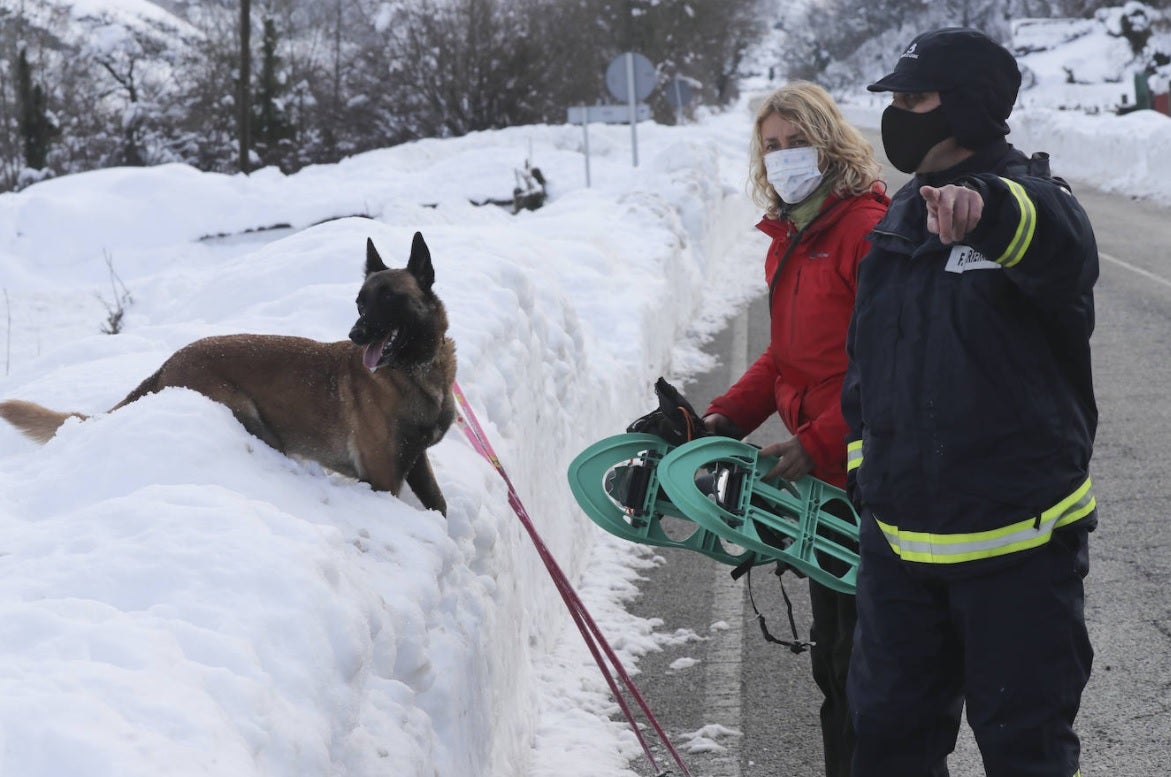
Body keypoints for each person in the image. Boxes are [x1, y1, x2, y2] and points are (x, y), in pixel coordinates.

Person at [841, 28, 1099, 777]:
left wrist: (981, 207)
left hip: (1015, 555)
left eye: (913, 97)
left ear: (968, 107)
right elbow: (866, 370)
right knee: (887, 750)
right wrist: (868, 475)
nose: (896, 112)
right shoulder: (893, 222)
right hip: (898, 560)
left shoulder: (1029, 202)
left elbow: (1058, 243)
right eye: (892, 98)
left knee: (1025, 756)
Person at [702, 81, 889, 777]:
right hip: (822, 495)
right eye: (771, 145)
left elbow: (889, 368)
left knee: (870, 678)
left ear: (828, 141)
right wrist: (718, 414)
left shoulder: (864, 232)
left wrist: (814, 443)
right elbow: (786, 354)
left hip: (869, 480)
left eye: (796, 142)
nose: (782, 157)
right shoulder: (791, 233)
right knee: (833, 669)